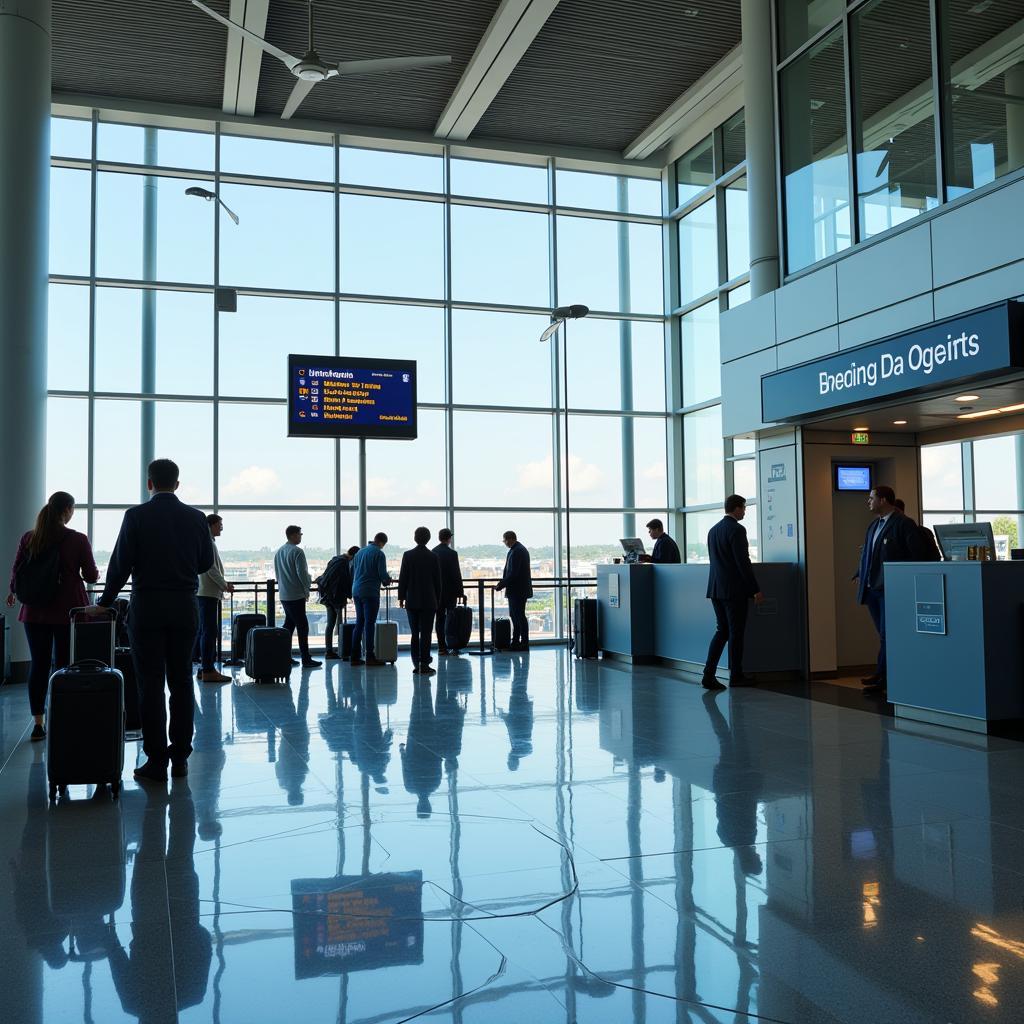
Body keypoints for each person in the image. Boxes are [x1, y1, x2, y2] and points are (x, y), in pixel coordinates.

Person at [93, 459, 214, 782]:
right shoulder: (196, 518)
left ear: (150, 483)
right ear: (177, 484)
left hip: (147, 607)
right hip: (185, 607)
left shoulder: (135, 516)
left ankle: (157, 759)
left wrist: (105, 603)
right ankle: (181, 756)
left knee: (150, 685)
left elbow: (119, 566)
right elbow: (204, 562)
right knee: (181, 682)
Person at [7, 491, 98, 741]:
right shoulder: (78, 539)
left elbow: (16, 574)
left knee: (39, 665)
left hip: (35, 611)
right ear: (67, 510)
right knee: (66, 666)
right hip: (69, 611)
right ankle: (64, 715)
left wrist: (13, 592)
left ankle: (39, 723)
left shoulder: (30, 538)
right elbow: (91, 576)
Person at [855, 485, 926, 694]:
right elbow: (868, 554)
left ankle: (883, 677)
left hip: (890, 589)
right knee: (885, 635)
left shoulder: (903, 524)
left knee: (889, 634)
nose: (868, 502)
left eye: (871, 498)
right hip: (872, 589)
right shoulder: (874, 526)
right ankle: (883, 675)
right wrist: (859, 574)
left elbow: (918, 555)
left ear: (883, 500)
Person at [701, 494, 764, 689]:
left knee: (722, 631)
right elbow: (742, 562)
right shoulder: (737, 530)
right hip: (734, 591)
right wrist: (755, 589)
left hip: (716, 589)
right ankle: (737, 675)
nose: (745, 511)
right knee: (736, 634)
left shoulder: (713, 530)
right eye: (744, 508)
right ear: (736, 508)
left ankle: (708, 674)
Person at [273, 525, 320, 669]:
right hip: (296, 595)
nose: (301, 536)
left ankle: (283, 655)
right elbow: (302, 574)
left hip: (284, 594)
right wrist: (307, 589)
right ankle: (305, 658)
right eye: (300, 534)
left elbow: (277, 574)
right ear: (293, 535)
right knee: (302, 626)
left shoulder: (279, 552)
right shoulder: (298, 552)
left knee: (289, 625)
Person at [398, 527, 442, 675]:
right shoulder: (433, 556)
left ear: (415, 538)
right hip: (429, 601)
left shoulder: (408, 555)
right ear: (428, 539)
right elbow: (438, 582)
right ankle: (424, 662)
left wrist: (401, 597)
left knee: (414, 633)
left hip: (412, 600)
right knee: (426, 633)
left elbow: (403, 578)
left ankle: (416, 662)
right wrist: (438, 599)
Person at [196, 514, 233, 684]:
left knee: (204, 631)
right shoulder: (208, 543)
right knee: (209, 632)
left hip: (203, 592)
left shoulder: (204, 542)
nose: (222, 528)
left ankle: (203, 669)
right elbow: (211, 569)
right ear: (211, 525)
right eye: (220, 524)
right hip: (208, 593)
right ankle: (208, 669)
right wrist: (224, 584)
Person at [350, 532, 392, 666]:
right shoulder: (379, 554)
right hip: (370, 592)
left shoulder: (360, 552)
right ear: (382, 543)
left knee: (359, 623)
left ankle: (354, 656)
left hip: (356, 590)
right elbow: (382, 575)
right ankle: (369, 656)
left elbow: (353, 571)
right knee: (369, 624)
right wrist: (387, 580)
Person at [319, 544, 358, 659]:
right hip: (336, 597)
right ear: (354, 556)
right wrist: (349, 594)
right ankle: (343, 650)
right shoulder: (344, 563)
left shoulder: (335, 559)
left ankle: (329, 650)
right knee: (340, 624)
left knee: (330, 624)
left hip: (327, 595)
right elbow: (344, 581)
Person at [496, 531, 533, 651]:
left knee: (518, 616)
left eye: (505, 540)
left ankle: (522, 643)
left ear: (510, 539)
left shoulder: (517, 551)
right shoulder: (518, 549)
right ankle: (517, 642)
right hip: (518, 590)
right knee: (516, 615)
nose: (505, 543)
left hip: (517, 590)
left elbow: (513, 573)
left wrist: (501, 584)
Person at [433, 528, 465, 655]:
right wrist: (460, 592)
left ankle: (441, 647)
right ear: (449, 539)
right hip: (450, 592)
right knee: (451, 619)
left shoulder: (433, 552)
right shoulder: (452, 554)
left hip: (437, 593)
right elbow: (456, 574)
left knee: (439, 619)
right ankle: (453, 645)